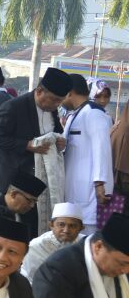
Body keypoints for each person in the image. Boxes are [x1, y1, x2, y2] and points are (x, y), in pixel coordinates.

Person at [0, 67, 69, 198]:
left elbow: (57, 132)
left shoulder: (51, 108)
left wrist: (60, 141)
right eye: (54, 99)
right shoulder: (13, 107)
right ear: (40, 91)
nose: (57, 104)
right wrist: (27, 145)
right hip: (10, 178)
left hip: (37, 179)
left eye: (60, 101)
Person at [62, 73, 113, 233]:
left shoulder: (94, 113)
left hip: (90, 191)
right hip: (75, 189)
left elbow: (102, 148)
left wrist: (100, 183)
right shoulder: (75, 114)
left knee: (86, 237)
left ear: (70, 92)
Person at [21, 202, 84, 281]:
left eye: (72, 226)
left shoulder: (86, 244)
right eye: (61, 225)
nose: (66, 230)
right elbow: (30, 278)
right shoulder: (36, 246)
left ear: (81, 228)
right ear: (51, 225)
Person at [0, 172, 45, 243]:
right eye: (29, 200)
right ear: (13, 194)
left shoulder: (29, 213)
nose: (32, 205)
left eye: (34, 202)